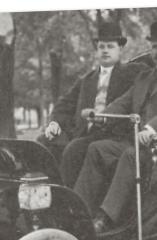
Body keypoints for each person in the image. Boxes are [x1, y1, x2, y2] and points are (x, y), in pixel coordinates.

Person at [73, 19, 157, 233]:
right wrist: (100, 116)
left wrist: (150, 129)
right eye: (154, 46)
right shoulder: (144, 77)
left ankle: (105, 219)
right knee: (98, 148)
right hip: (135, 143)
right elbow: (123, 103)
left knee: (130, 155)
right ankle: (77, 212)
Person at [36, 22, 147, 188]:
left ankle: (70, 201)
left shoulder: (132, 72)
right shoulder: (86, 80)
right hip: (82, 133)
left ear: (120, 49)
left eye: (110, 46)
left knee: (75, 148)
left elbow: (151, 76)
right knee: (43, 141)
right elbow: (64, 103)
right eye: (101, 46)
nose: (105, 50)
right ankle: (47, 193)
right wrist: (54, 123)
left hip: (111, 134)